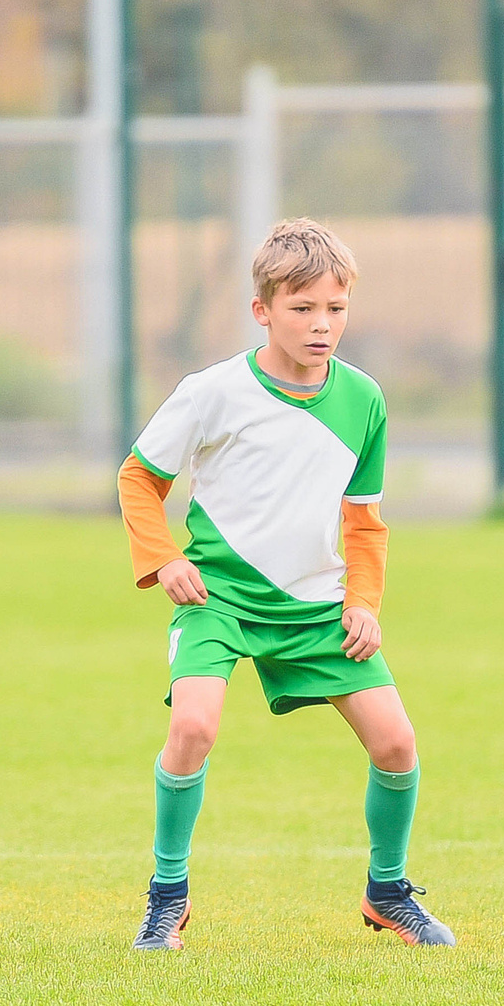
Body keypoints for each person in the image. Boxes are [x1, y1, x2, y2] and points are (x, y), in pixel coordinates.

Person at [116, 218, 451, 952]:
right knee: (193, 727)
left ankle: (387, 891)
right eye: (302, 308)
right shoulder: (213, 392)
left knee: (396, 743)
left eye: (335, 308)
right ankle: (167, 896)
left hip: (316, 608)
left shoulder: (363, 401)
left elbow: (365, 522)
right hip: (220, 598)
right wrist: (165, 556)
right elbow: (140, 477)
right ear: (262, 309)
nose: (321, 324)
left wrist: (363, 602)